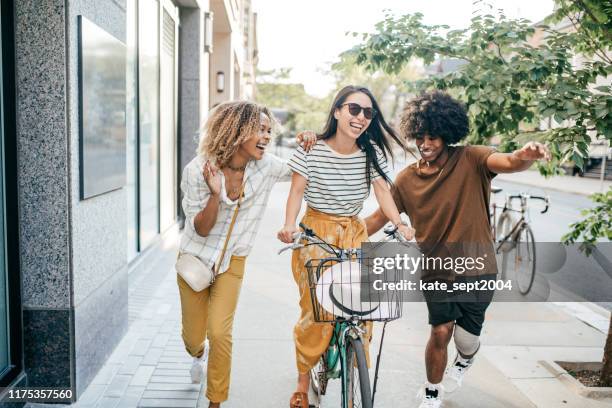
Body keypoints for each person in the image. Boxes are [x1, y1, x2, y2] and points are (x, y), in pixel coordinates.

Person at [364, 90, 551, 408]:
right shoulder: (407, 180)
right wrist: (344, 235)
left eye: (434, 136)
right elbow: (381, 217)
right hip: (437, 272)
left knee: (466, 340)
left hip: (479, 269)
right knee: (440, 331)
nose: (425, 143)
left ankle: (466, 359)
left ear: (448, 134)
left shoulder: (472, 159)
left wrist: (525, 155)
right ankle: (432, 391)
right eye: (420, 136)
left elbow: (508, 161)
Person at [277, 85, 415, 408]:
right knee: (318, 310)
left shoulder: (371, 154)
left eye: (368, 112)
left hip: (353, 232)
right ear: (337, 110)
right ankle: (302, 381)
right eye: (354, 109)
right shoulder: (311, 149)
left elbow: (383, 192)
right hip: (316, 233)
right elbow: (296, 192)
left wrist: (399, 223)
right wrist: (288, 224)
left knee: (362, 308)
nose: (361, 117)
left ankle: (354, 370)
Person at [178, 101, 316, 408]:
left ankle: (215, 401)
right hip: (195, 260)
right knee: (193, 337)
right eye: (260, 130)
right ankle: (196, 355)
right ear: (236, 130)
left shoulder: (265, 166)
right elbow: (200, 229)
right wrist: (216, 193)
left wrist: (310, 138)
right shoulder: (198, 169)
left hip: (233, 261)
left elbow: (300, 165)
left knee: (220, 333)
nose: (267, 137)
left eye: (269, 131)